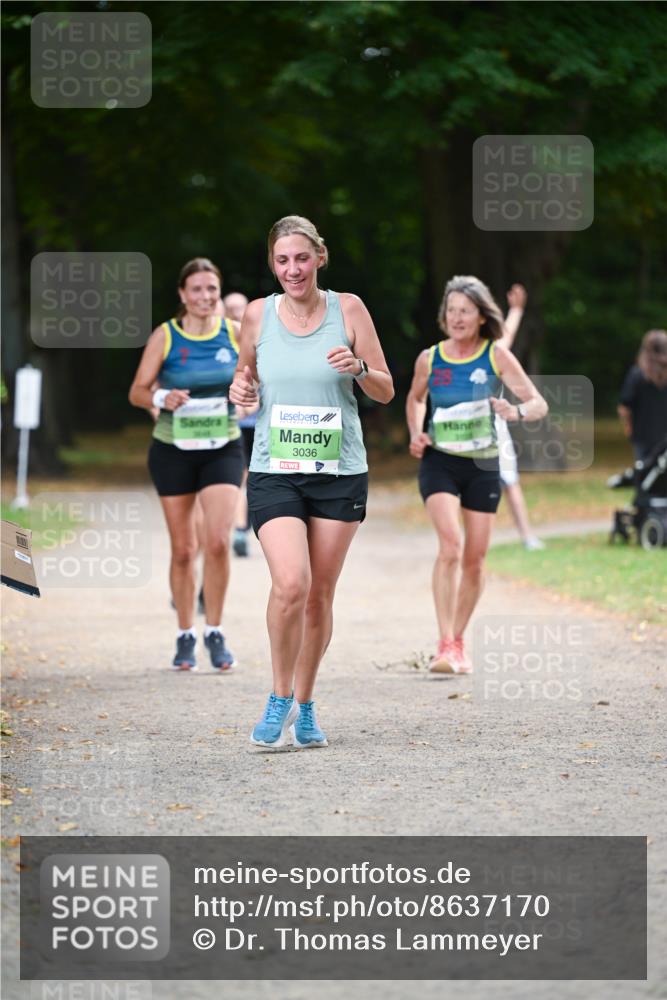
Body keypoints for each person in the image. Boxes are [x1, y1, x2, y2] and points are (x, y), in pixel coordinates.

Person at [230, 215, 394, 748]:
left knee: (319, 595)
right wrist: (242, 392)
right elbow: (245, 375)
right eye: (282, 260)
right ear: (272, 264)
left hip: (339, 472)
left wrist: (360, 368)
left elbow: (387, 389)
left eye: (301, 258)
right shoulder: (257, 315)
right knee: (291, 583)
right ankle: (278, 697)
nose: (292, 269)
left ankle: (306, 705)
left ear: (320, 257)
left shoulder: (348, 309)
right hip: (276, 470)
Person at [406, 275, 548, 674]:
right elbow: (415, 399)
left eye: (465, 311)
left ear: (482, 316)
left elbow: (538, 404)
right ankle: (443, 643)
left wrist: (515, 412)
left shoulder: (496, 356)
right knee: (450, 545)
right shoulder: (430, 359)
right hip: (440, 462)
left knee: (475, 558)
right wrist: (416, 431)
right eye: (451, 310)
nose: (457, 317)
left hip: (484, 465)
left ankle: (458, 640)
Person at [129, 258, 243, 671]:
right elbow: (138, 392)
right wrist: (162, 399)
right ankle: (184, 634)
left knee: (217, 541)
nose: (205, 297)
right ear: (182, 294)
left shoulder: (234, 332)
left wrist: (248, 392)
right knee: (183, 549)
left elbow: (255, 380)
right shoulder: (166, 335)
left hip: (222, 448)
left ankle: (214, 629)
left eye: (211, 289)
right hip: (172, 450)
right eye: (196, 289)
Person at [495, 284, 545, 551]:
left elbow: (508, 336)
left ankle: (527, 536)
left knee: (510, 482)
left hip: (496, 430)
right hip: (466, 436)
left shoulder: (492, 353)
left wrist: (515, 310)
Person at [223, 292, 255, 557]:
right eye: (230, 308)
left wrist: (252, 407)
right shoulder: (222, 343)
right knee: (241, 478)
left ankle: (248, 524)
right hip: (232, 425)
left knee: (257, 478)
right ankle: (241, 530)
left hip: (263, 422)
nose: (235, 312)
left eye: (239, 308)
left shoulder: (259, 336)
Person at [618, 329, 667, 464]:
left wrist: (628, 427)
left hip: (642, 435)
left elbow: (624, 407)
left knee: (644, 473)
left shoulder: (637, 374)